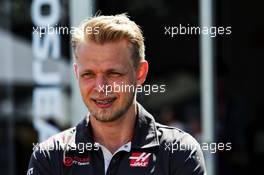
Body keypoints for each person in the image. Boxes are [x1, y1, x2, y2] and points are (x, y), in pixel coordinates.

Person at [27, 14, 206, 175]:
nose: (101, 87)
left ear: (140, 73)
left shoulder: (178, 151)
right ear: (76, 74)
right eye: (88, 74)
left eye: (114, 74)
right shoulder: (50, 156)